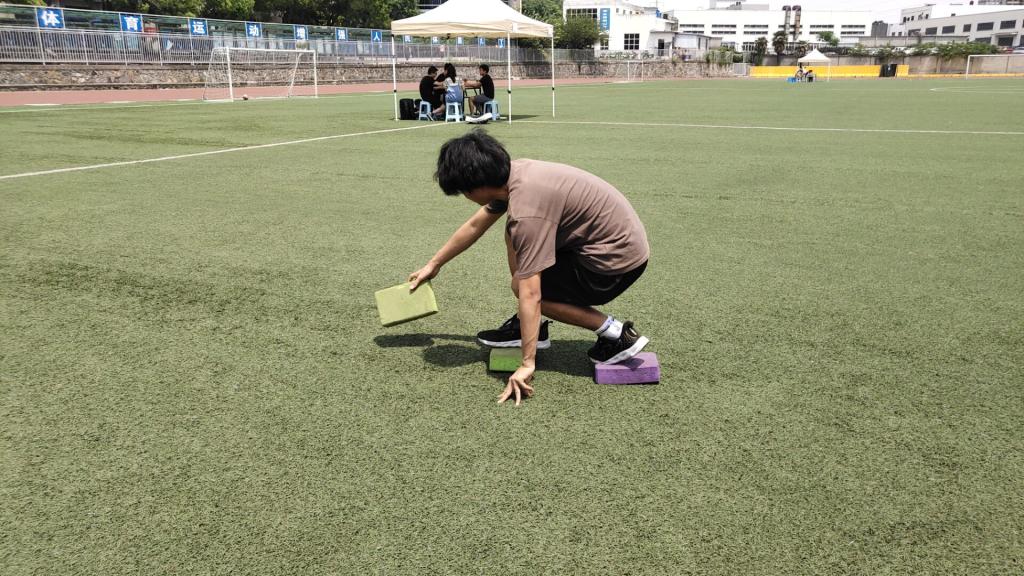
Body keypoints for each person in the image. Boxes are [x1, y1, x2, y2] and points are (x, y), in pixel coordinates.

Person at [408, 131, 651, 406]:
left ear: (476, 187)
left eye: (464, 191)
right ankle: (528, 325)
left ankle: (616, 334)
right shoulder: (515, 174)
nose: (465, 196)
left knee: (525, 289)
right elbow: (476, 225)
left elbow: (531, 294)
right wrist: (434, 264)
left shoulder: (527, 212)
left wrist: (527, 363)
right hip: (612, 246)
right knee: (513, 241)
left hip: (613, 266)